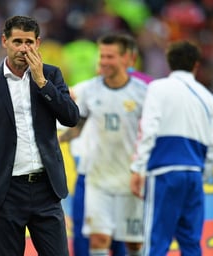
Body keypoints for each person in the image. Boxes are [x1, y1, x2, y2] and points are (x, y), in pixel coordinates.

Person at [0, 15, 79, 256]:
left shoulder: (51, 75)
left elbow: (71, 117)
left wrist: (42, 82)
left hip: (47, 189)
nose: (23, 49)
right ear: (5, 41)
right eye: (17, 41)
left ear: (37, 43)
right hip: (6, 192)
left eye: (28, 42)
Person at [59, 33, 147, 256]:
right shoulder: (89, 90)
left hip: (130, 179)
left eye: (111, 56)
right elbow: (78, 126)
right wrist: (54, 141)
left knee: (134, 243)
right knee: (98, 239)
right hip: (97, 178)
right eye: (102, 56)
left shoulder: (143, 93)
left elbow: (151, 134)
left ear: (128, 58)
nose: (104, 61)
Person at [130, 41, 213, 256]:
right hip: (194, 174)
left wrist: (138, 167)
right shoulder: (207, 97)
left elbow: (148, 128)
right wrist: (202, 173)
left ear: (169, 62)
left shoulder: (158, 88)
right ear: (196, 65)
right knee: (190, 241)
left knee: (157, 240)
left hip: (164, 173)